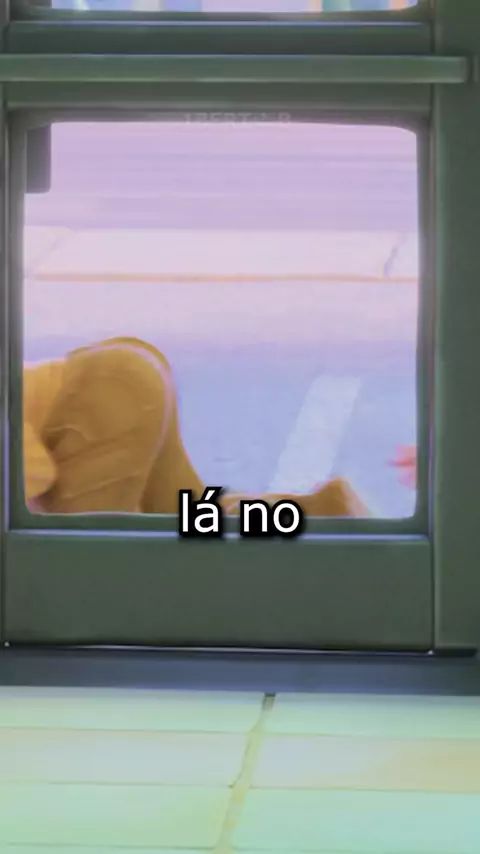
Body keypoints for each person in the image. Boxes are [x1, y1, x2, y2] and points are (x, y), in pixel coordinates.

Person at [24, 336, 369, 516]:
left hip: (103, 397)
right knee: (187, 517)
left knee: (87, 565)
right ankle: (321, 512)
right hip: (119, 379)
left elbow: (31, 471)